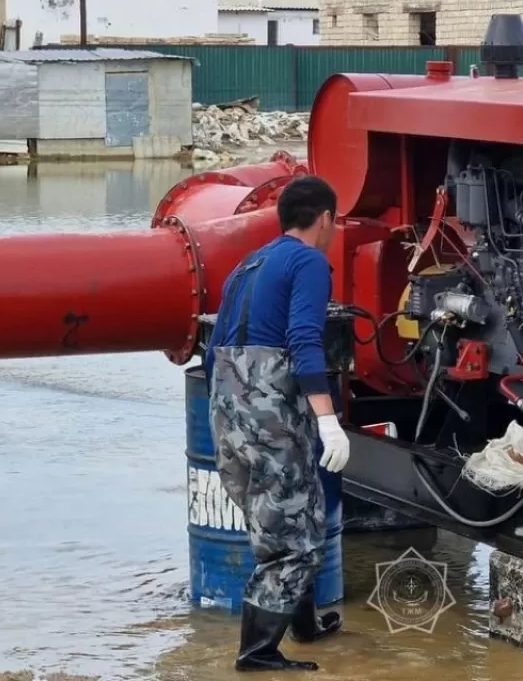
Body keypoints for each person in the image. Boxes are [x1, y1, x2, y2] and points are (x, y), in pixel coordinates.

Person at [204, 174, 351, 673]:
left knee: (281, 517)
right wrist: (329, 422)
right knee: (295, 533)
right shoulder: (309, 261)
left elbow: (213, 350)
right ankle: (258, 653)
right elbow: (305, 340)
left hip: (226, 405)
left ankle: (304, 626)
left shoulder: (248, 263)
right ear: (326, 218)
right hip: (269, 405)